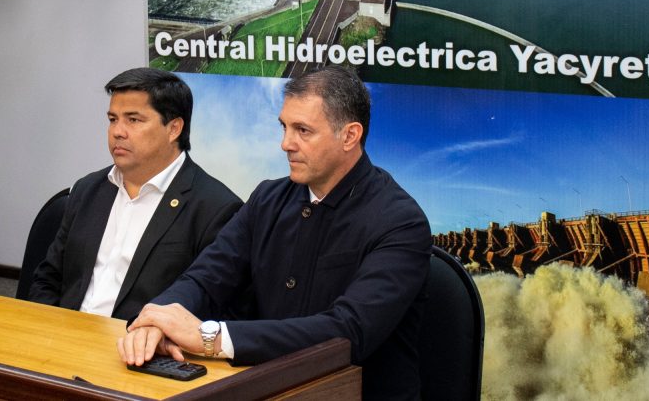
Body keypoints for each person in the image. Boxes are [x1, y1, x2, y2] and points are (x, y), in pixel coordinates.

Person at [119, 66, 431, 400]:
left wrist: (212, 338)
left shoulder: (401, 222)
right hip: (265, 389)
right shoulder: (267, 198)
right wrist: (156, 318)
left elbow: (348, 331)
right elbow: (206, 277)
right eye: (284, 127)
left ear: (349, 136)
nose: (285, 144)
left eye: (303, 131)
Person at [27, 67, 242, 322]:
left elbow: (214, 310)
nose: (117, 131)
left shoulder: (216, 209)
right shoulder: (88, 190)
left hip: (139, 343)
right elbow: (48, 279)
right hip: (65, 335)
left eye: (133, 120)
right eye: (113, 119)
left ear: (174, 129)